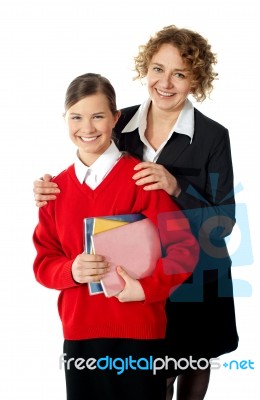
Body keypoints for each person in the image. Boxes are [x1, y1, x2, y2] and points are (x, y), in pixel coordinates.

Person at [33, 25, 239, 400]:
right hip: (134, 272)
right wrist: (50, 190)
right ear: (146, 69)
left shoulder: (212, 136)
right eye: (158, 69)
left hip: (195, 273)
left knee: (192, 364)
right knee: (152, 376)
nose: (166, 82)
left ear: (196, 80)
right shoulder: (118, 122)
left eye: (180, 73)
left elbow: (223, 221)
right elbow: (91, 166)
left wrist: (175, 187)